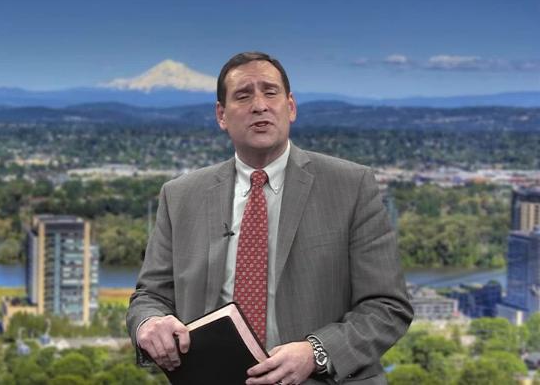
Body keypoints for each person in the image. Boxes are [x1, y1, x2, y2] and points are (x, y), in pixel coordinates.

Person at [127, 51, 413, 385]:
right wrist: (150, 323)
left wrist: (316, 352)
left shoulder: (351, 186)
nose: (259, 105)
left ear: (290, 107)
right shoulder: (180, 196)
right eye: (243, 95)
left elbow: (387, 306)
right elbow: (150, 297)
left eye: (270, 92)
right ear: (221, 115)